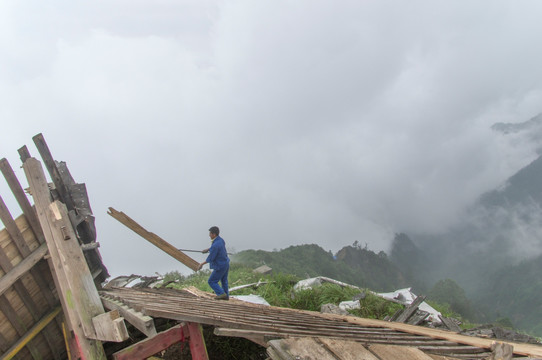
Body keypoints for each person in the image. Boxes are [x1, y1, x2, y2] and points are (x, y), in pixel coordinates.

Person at [197, 226, 230, 300]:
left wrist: (201, 264)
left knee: (211, 281)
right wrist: (208, 249)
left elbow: (211, 258)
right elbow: (215, 248)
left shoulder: (215, 245)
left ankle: (221, 294)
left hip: (220, 265)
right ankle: (226, 296)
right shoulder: (220, 240)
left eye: (210, 233)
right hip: (226, 263)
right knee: (224, 281)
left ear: (214, 234)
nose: (209, 235)